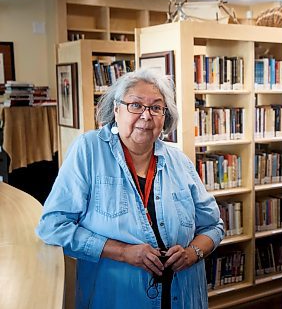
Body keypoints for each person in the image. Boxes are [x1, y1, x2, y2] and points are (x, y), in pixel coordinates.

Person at [36, 68, 224, 308]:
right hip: (116, 297)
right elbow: (53, 226)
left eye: (156, 107)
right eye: (136, 105)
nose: (146, 116)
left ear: (164, 116)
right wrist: (123, 252)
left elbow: (214, 225)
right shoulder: (89, 150)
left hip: (183, 296)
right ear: (116, 110)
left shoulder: (179, 161)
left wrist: (192, 253)